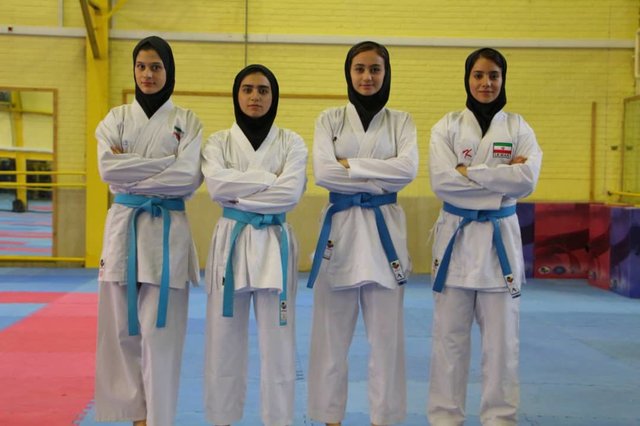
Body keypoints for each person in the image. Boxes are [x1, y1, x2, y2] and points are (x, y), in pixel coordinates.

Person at [427, 47, 543, 426]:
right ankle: (445, 418)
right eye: (478, 75)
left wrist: (468, 172)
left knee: (502, 345)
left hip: (499, 246)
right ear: (467, 79)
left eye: (493, 75)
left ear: (503, 79)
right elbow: (442, 182)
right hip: (456, 243)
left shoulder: (519, 128)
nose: (486, 83)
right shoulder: (446, 127)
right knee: (448, 342)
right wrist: (501, 178)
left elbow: (526, 180)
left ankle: (500, 419)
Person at [307, 41, 418, 426]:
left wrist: (349, 164)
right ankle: (329, 419)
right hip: (340, 233)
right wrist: (379, 170)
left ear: (386, 74)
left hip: (384, 233)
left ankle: (383, 419)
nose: (367, 77)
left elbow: (407, 171)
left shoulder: (401, 121)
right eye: (359, 69)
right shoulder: (329, 119)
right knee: (330, 341)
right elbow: (324, 172)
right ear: (348, 73)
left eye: (375, 69)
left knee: (387, 343)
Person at [94, 36, 203, 426]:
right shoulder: (116, 119)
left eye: (156, 67)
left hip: (167, 233)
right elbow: (107, 170)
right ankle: (134, 418)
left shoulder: (188, 122)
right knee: (121, 333)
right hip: (123, 229)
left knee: (161, 336)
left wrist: (131, 167)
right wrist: (163, 165)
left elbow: (187, 177)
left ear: (168, 71)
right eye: (141, 66)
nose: (147, 74)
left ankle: (158, 419)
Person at [201, 64, 307, 426]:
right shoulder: (218, 142)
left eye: (263, 90)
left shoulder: (291, 142)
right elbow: (217, 187)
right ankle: (222, 420)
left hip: (274, 241)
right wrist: (267, 179)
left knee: (279, 344)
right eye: (247, 89)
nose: (255, 97)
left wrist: (239, 193)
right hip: (231, 241)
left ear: (274, 96)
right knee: (222, 342)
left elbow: (290, 193)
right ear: (236, 95)